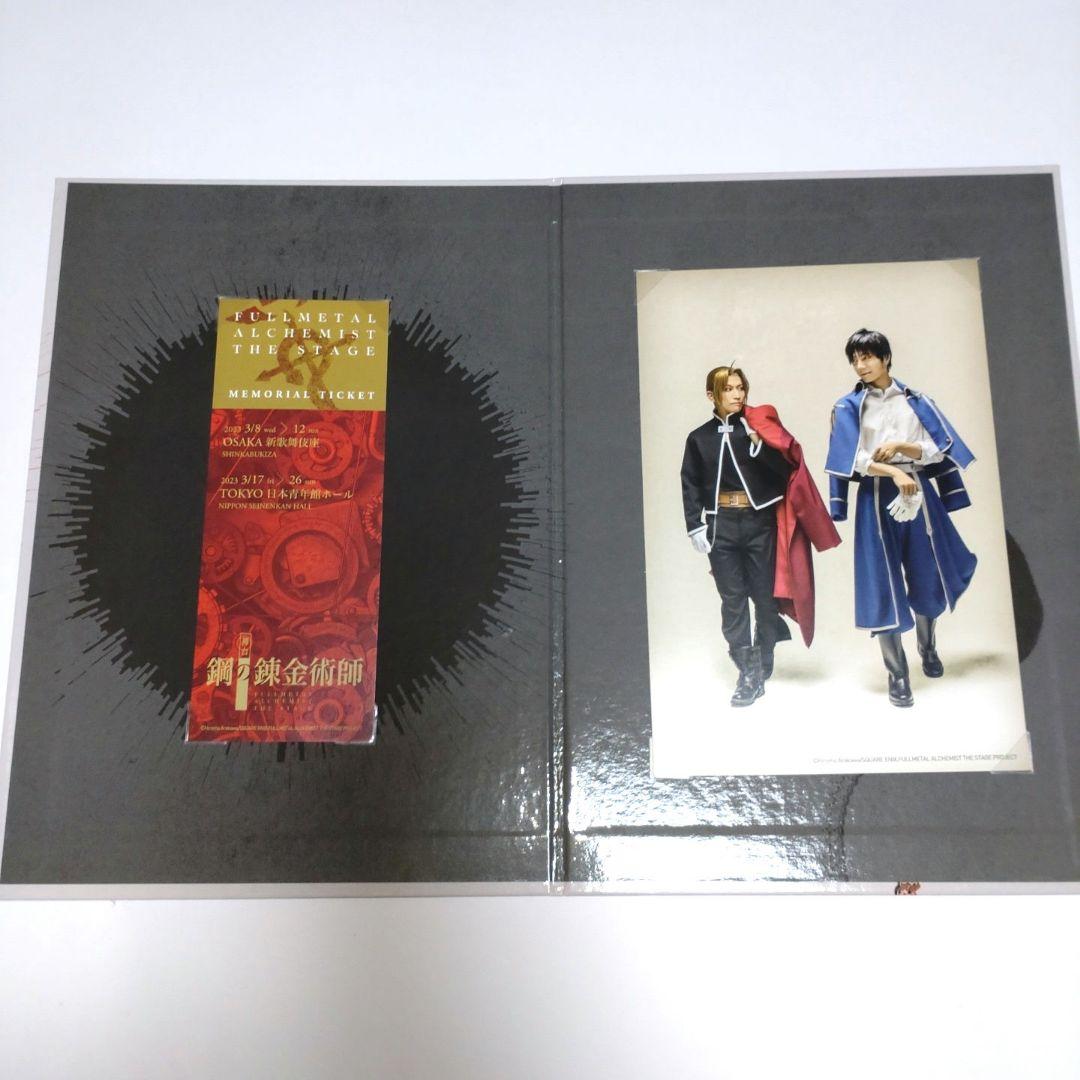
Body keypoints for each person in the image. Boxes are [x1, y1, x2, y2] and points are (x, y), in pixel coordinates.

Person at [825, 329, 977, 707]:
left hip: (920, 494)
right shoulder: (848, 407)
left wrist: (903, 447)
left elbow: (938, 448)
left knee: (929, 574)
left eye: (867, 357)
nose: (860, 366)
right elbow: (853, 459)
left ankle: (928, 646)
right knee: (882, 583)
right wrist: (893, 471)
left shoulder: (917, 401)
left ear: (886, 358)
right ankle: (897, 673)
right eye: (855, 360)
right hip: (876, 497)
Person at [681, 365, 840, 707]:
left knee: (765, 597)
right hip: (720, 526)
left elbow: (786, 473)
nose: (737, 394)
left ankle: (764, 649)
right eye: (729, 389)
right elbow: (690, 482)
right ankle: (748, 672)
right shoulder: (698, 438)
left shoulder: (758, 429)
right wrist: (695, 524)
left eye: (741, 387)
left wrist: (759, 446)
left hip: (759, 523)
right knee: (732, 600)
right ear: (712, 395)